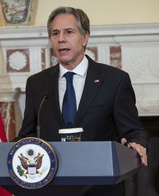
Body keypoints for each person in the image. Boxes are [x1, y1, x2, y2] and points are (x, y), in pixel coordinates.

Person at [15, 6, 148, 196]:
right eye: (55, 33)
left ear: (84, 38)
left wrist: (136, 143)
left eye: (69, 32)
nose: (61, 38)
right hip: (51, 187)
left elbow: (134, 130)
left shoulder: (114, 80)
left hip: (100, 187)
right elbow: (26, 135)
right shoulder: (37, 84)